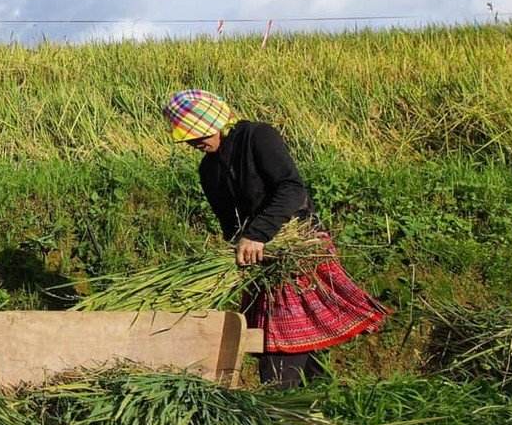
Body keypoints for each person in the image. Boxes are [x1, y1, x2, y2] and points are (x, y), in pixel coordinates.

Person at [164, 89, 385, 387]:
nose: (194, 142)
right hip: (259, 262)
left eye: (199, 133)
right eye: (188, 138)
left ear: (216, 122)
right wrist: (237, 250)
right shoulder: (208, 169)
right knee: (292, 335)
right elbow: (230, 222)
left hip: (296, 249)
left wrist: (257, 234)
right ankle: (315, 402)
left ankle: (283, 407)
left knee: (280, 338)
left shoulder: (257, 136)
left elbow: (292, 189)